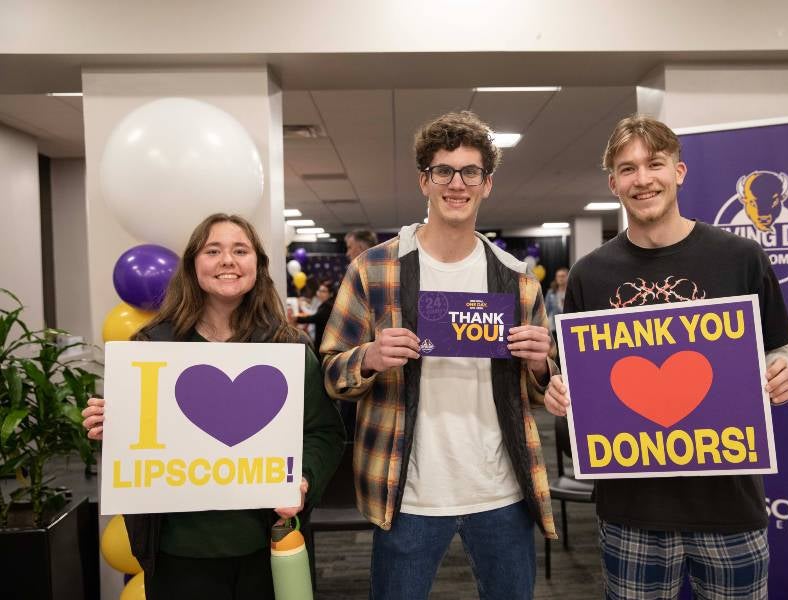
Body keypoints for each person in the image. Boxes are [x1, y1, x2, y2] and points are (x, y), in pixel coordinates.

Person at [544, 115, 788, 600]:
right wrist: (559, 390)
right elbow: (569, 371)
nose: (642, 179)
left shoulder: (741, 257)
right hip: (631, 510)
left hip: (729, 503)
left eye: (654, 164)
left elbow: (781, 347)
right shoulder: (588, 275)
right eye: (627, 169)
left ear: (678, 171)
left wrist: (787, 370)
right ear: (614, 183)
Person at [320, 111, 558, 600]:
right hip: (407, 493)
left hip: (502, 489)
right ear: (423, 181)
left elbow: (540, 391)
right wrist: (369, 357)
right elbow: (330, 372)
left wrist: (539, 364)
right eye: (443, 171)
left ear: (486, 184)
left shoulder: (515, 279)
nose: (457, 183)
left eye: (470, 172)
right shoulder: (373, 269)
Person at [81, 213, 345, 600]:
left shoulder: (286, 350)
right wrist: (110, 427)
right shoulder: (153, 347)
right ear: (192, 265)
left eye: (240, 250)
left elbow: (325, 431)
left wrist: (303, 479)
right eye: (213, 250)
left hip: (263, 545)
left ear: (257, 265)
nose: (227, 260)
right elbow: (137, 445)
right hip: (176, 550)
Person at [294, 280, 336, 354]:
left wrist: (297, 319)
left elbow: (315, 318)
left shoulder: (328, 306)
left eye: (323, 291)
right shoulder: (326, 304)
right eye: (319, 290)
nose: (320, 293)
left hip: (324, 342)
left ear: (331, 294)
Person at [544, 267, 568, 351]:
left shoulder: (570, 291)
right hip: (554, 326)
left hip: (567, 325)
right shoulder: (551, 292)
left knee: (566, 350)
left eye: (563, 276)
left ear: (567, 277)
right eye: (558, 276)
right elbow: (545, 310)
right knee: (556, 350)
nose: (560, 278)